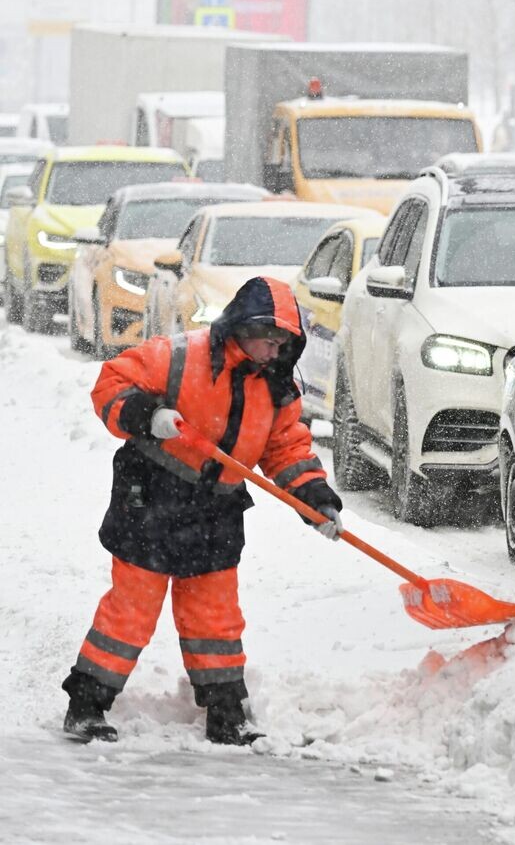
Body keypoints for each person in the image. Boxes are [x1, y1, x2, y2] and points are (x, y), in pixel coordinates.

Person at [61, 276, 343, 745]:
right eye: (268, 340)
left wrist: (316, 500)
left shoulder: (277, 385)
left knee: (215, 615)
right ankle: (86, 705)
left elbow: (286, 449)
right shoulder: (177, 356)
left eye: (282, 345)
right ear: (242, 328)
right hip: (151, 494)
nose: (273, 352)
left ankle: (226, 714)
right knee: (132, 609)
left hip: (216, 508)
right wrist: (148, 415)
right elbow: (109, 386)